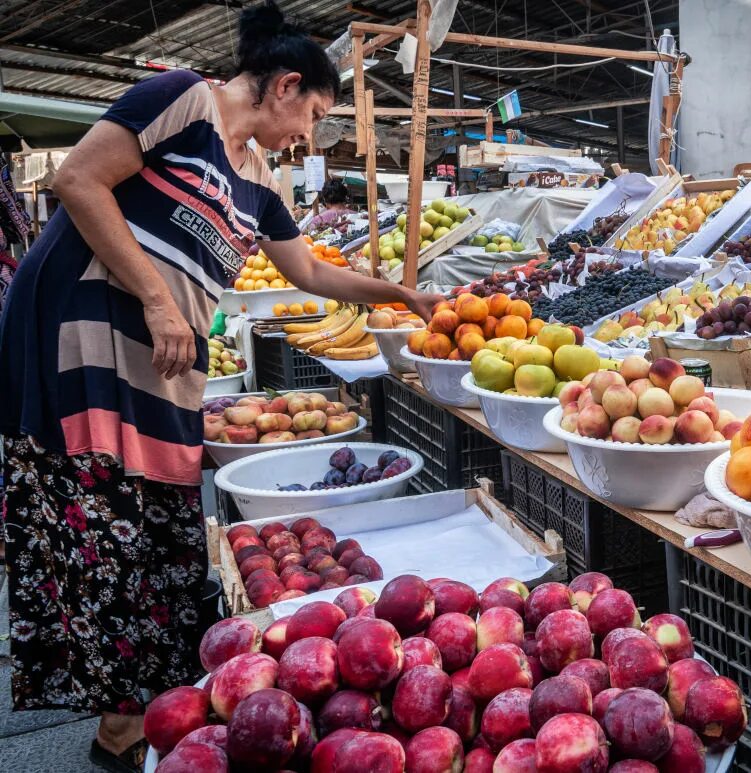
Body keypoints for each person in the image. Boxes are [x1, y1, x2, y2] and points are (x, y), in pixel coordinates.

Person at [0, 3, 442, 770]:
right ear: (285, 86)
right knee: (102, 522)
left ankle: (142, 711)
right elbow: (78, 179)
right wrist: (160, 298)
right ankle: (120, 725)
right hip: (80, 339)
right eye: (312, 115)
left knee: (164, 534)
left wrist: (400, 297)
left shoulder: (261, 182)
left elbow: (307, 272)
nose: (309, 136)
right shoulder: (183, 100)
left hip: (155, 363)